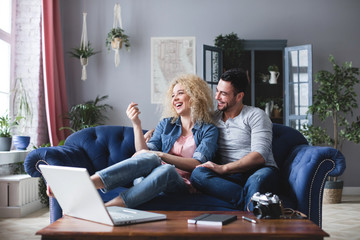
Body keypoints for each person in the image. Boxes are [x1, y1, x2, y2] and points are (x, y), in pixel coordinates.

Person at [89, 73, 218, 208]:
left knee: (166, 168)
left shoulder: (209, 130)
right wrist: (136, 124)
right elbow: (144, 153)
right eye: (173, 95)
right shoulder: (166, 124)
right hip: (147, 178)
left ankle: (108, 207)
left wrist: (161, 155)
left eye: (180, 93)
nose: (175, 99)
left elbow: (197, 163)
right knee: (153, 158)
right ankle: (90, 182)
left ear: (195, 95)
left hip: (180, 184)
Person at [190, 68, 279, 211]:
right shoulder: (212, 118)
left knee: (256, 182)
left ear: (239, 96)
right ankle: (250, 203)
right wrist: (154, 131)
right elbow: (184, 125)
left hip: (257, 170)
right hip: (229, 177)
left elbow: (259, 156)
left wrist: (223, 168)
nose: (217, 97)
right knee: (197, 175)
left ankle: (249, 218)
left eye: (223, 93)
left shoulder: (255, 115)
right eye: (217, 91)